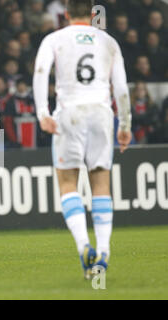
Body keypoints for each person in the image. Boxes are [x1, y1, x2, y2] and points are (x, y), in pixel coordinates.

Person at [33, 0, 132, 279]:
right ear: (92, 14)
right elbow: (121, 88)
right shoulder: (108, 41)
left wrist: (42, 112)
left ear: (65, 14)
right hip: (101, 112)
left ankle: (83, 245)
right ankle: (103, 252)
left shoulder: (54, 38)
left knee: (67, 182)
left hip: (69, 113)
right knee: (100, 183)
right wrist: (124, 123)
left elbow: (40, 74)